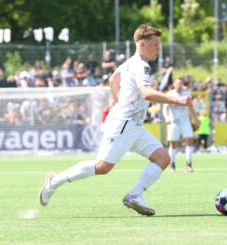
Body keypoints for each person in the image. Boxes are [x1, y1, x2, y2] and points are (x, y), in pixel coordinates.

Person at [39, 24, 193, 216]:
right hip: (123, 125)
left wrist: (116, 100)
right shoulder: (142, 66)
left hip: (133, 126)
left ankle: (134, 195)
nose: (158, 49)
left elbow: (113, 79)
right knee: (102, 167)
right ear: (143, 44)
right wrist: (176, 100)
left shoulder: (129, 63)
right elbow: (146, 93)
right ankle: (54, 181)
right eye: (155, 45)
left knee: (163, 158)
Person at [162, 78, 199, 173]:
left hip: (185, 120)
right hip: (173, 121)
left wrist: (195, 120)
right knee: (173, 144)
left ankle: (189, 164)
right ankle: (172, 165)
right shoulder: (170, 94)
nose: (179, 84)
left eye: (181, 83)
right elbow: (165, 108)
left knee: (189, 140)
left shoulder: (186, 94)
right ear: (174, 84)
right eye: (177, 83)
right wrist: (166, 117)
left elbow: (191, 108)